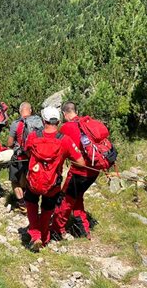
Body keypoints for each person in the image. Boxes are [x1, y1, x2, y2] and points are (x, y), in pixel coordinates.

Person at [24, 106, 85, 251]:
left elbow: (27, 152)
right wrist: (65, 157)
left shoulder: (33, 136)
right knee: (47, 210)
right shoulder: (65, 140)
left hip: (33, 180)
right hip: (52, 184)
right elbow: (81, 163)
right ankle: (44, 238)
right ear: (58, 121)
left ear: (43, 120)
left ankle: (35, 235)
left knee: (31, 205)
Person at [51, 101, 102, 240]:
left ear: (64, 113)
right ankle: (83, 229)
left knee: (66, 200)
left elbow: (58, 149)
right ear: (76, 111)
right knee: (77, 197)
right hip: (95, 170)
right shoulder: (86, 123)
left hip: (80, 172)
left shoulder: (66, 127)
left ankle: (56, 230)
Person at [7, 102, 42, 213]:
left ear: (20, 111)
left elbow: (9, 143)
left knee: (15, 180)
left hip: (20, 156)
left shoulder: (16, 124)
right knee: (28, 178)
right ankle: (30, 201)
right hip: (34, 156)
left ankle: (22, 203)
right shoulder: (38, 122)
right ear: (30, 110)